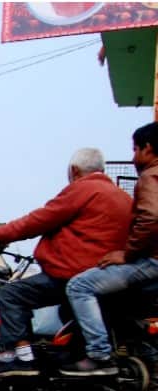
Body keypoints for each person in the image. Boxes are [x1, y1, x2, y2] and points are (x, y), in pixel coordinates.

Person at [0, 147, 132, 376]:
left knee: (12, 294)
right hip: (106, 276)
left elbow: (38, 220)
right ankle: (69, 357)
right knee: (65, 313)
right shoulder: (122, 197)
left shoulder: (82, 189)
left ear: (74, 170)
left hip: (71, 274)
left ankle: (21, 358)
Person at [61, 123, 158, 376]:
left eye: (136, 149)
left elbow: (151, 217)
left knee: (79, 286)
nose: (133, 157)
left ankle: (99, 354)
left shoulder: (151, 176)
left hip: (151, 261)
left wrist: (127, 253)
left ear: (148, 148)